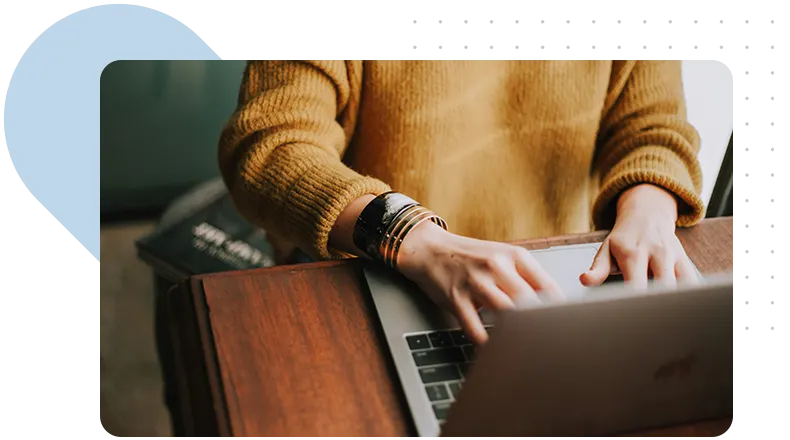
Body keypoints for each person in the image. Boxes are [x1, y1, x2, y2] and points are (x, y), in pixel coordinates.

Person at [218, 59, 704, 344]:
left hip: (555, 287)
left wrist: (650, 206)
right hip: (372, 275)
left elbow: (653, 127)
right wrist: (411, 236)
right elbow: (271, 145)